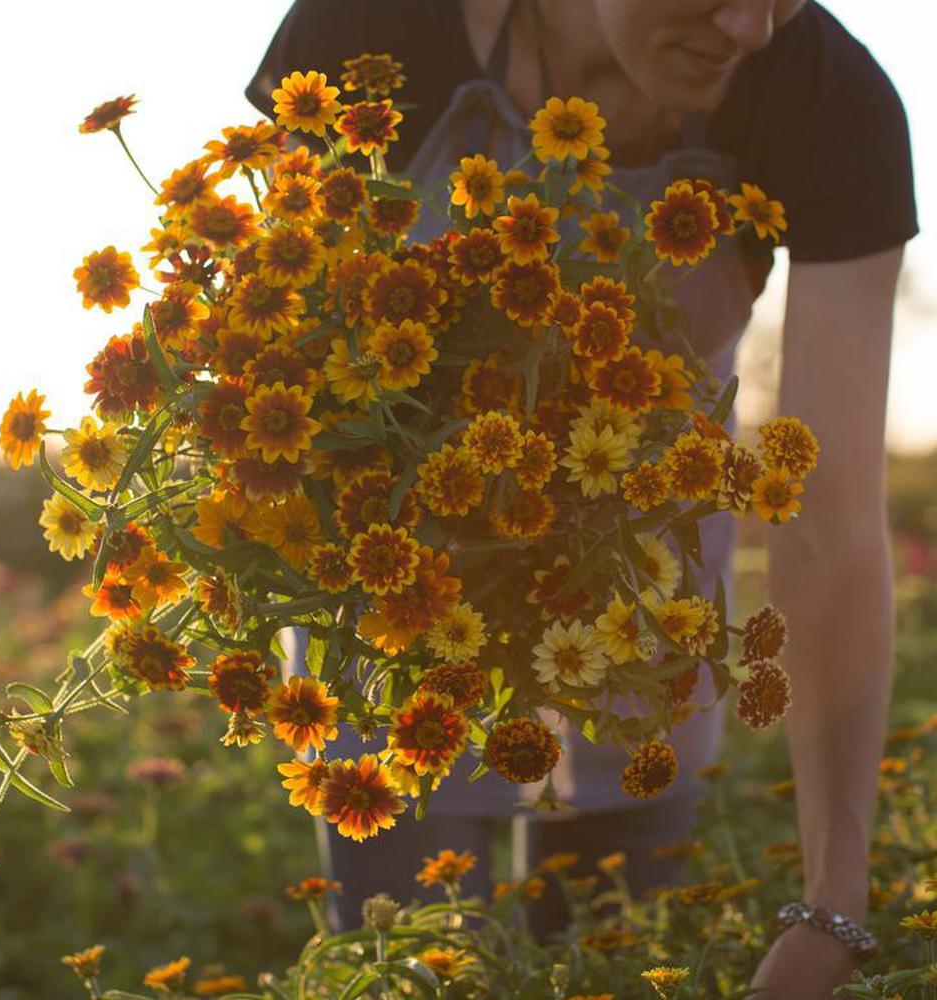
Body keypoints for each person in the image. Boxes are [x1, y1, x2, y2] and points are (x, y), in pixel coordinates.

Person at [245, 2, 918, 995]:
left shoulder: (826, 98)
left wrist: (834, 898)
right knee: (415, 970)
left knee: (619, 965)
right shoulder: (366, 29)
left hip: (645, 613)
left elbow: (830, 522)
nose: (749, 28)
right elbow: (285, 370)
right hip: (401, 626)